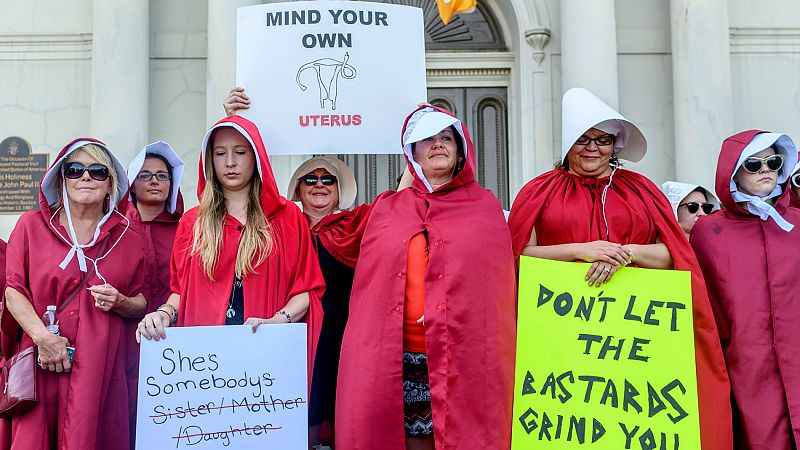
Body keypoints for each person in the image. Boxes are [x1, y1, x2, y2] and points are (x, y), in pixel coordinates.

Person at [507, 88, 732, 449]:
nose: (592, 148)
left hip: (635, 337)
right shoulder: (540, 191)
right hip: (561, 341)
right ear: (568, 143)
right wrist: (583, 250)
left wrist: (624, 253)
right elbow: (518, 256)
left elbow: (675, 257)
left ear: (616, 146)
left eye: (603, 140)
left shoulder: (641, 189)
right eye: (583, 139)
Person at [331, 106, 516, 450]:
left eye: (446, 137)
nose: (437, 145)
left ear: (461, 150)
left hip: (463, 357)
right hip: (400, 356)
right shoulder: (389, 209)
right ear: (411, 154)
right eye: (426, 140)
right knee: (408, 441)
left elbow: (499, 282)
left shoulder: (487, 209)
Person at [136, 115, 324, 387]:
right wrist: (163, 314)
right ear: (210, 160)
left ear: (256, 156)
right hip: (205, 363)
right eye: (220, 153)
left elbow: (308, 289)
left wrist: (277, 321)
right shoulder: (193, 222)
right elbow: (180, 291)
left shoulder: (287, 217)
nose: (230, 163)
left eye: (240, 152)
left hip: (266, 354)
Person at [1, 138, 150, 450]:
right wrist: (43, 338)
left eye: (97, 171)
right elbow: (14, 291)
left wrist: (121, 302)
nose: (85, 177)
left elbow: (142, 303)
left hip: (100, 369)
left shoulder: (129, 236)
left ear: (110, 184)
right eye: (75, 169)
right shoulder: (31, 226)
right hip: (41, 360)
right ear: (61, 179)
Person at [690, 130, 800, 448]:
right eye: (754, 164)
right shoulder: (709, 232)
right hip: (746, 370)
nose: (766, 169)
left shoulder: (797, 223)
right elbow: (702, 303)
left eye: (774, 161)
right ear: (734, 172)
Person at [286, 156, 358, 447]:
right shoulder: (282, 230)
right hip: (298, 338)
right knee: (304, 417)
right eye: (310, 179)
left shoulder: (357, 225)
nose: (319, 185)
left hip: (346, 339)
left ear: (339, 189)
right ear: (298, 189)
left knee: (347, 416)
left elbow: (399, 205)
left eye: (328, 179)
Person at [126, 141, 185, 305]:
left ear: (171, 185)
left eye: (162, 176)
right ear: (131, 185)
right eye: (144, 175)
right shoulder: (119, 232)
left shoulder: (184, 232)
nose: (154, 181)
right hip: (128, 327)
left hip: (175, 326)